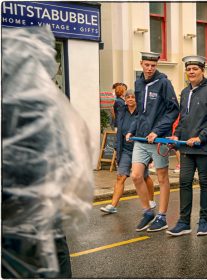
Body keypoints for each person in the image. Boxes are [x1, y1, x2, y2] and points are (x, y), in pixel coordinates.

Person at [2, 26, 94, 278]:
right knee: (50, 254)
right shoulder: (48, 103)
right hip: (39, 203)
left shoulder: (38, 102)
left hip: (26, 206)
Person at [166, 55, 207, 236]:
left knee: (206, 184)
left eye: (195, 69)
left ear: (202, 71)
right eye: (189, 69)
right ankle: (184, 222)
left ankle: (203, 222)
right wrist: (176, 134)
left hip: (204, 148)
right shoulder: (185, 92)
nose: (191, 72)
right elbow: (183, 118)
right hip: (186, 147)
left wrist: (201, 137)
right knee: (184, 183)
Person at [126, 51, 179, 232]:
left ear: (156, 66)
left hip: (158, 139)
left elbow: (173, 110)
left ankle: (162, 216)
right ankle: (148, 211)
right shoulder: (138, 83)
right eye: (147, 65)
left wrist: (157, 131)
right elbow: (140, 111)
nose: (149, 69)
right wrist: (132, 129)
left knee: (162, 178)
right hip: (141, 138)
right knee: (136, 175)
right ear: (141, 63)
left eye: (153, 66)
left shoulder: (164, 83)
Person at [100, 91, 156, 214]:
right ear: (125, 99)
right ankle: (112, 205)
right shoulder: (122, 112)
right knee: (121, 176)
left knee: (144, 177)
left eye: (133, 97)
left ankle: (151, 200)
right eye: (128, 97)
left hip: (140, 149)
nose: (130, 99)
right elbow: (119, 130)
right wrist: (116, 146)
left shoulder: (142, 112)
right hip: (125, 149)